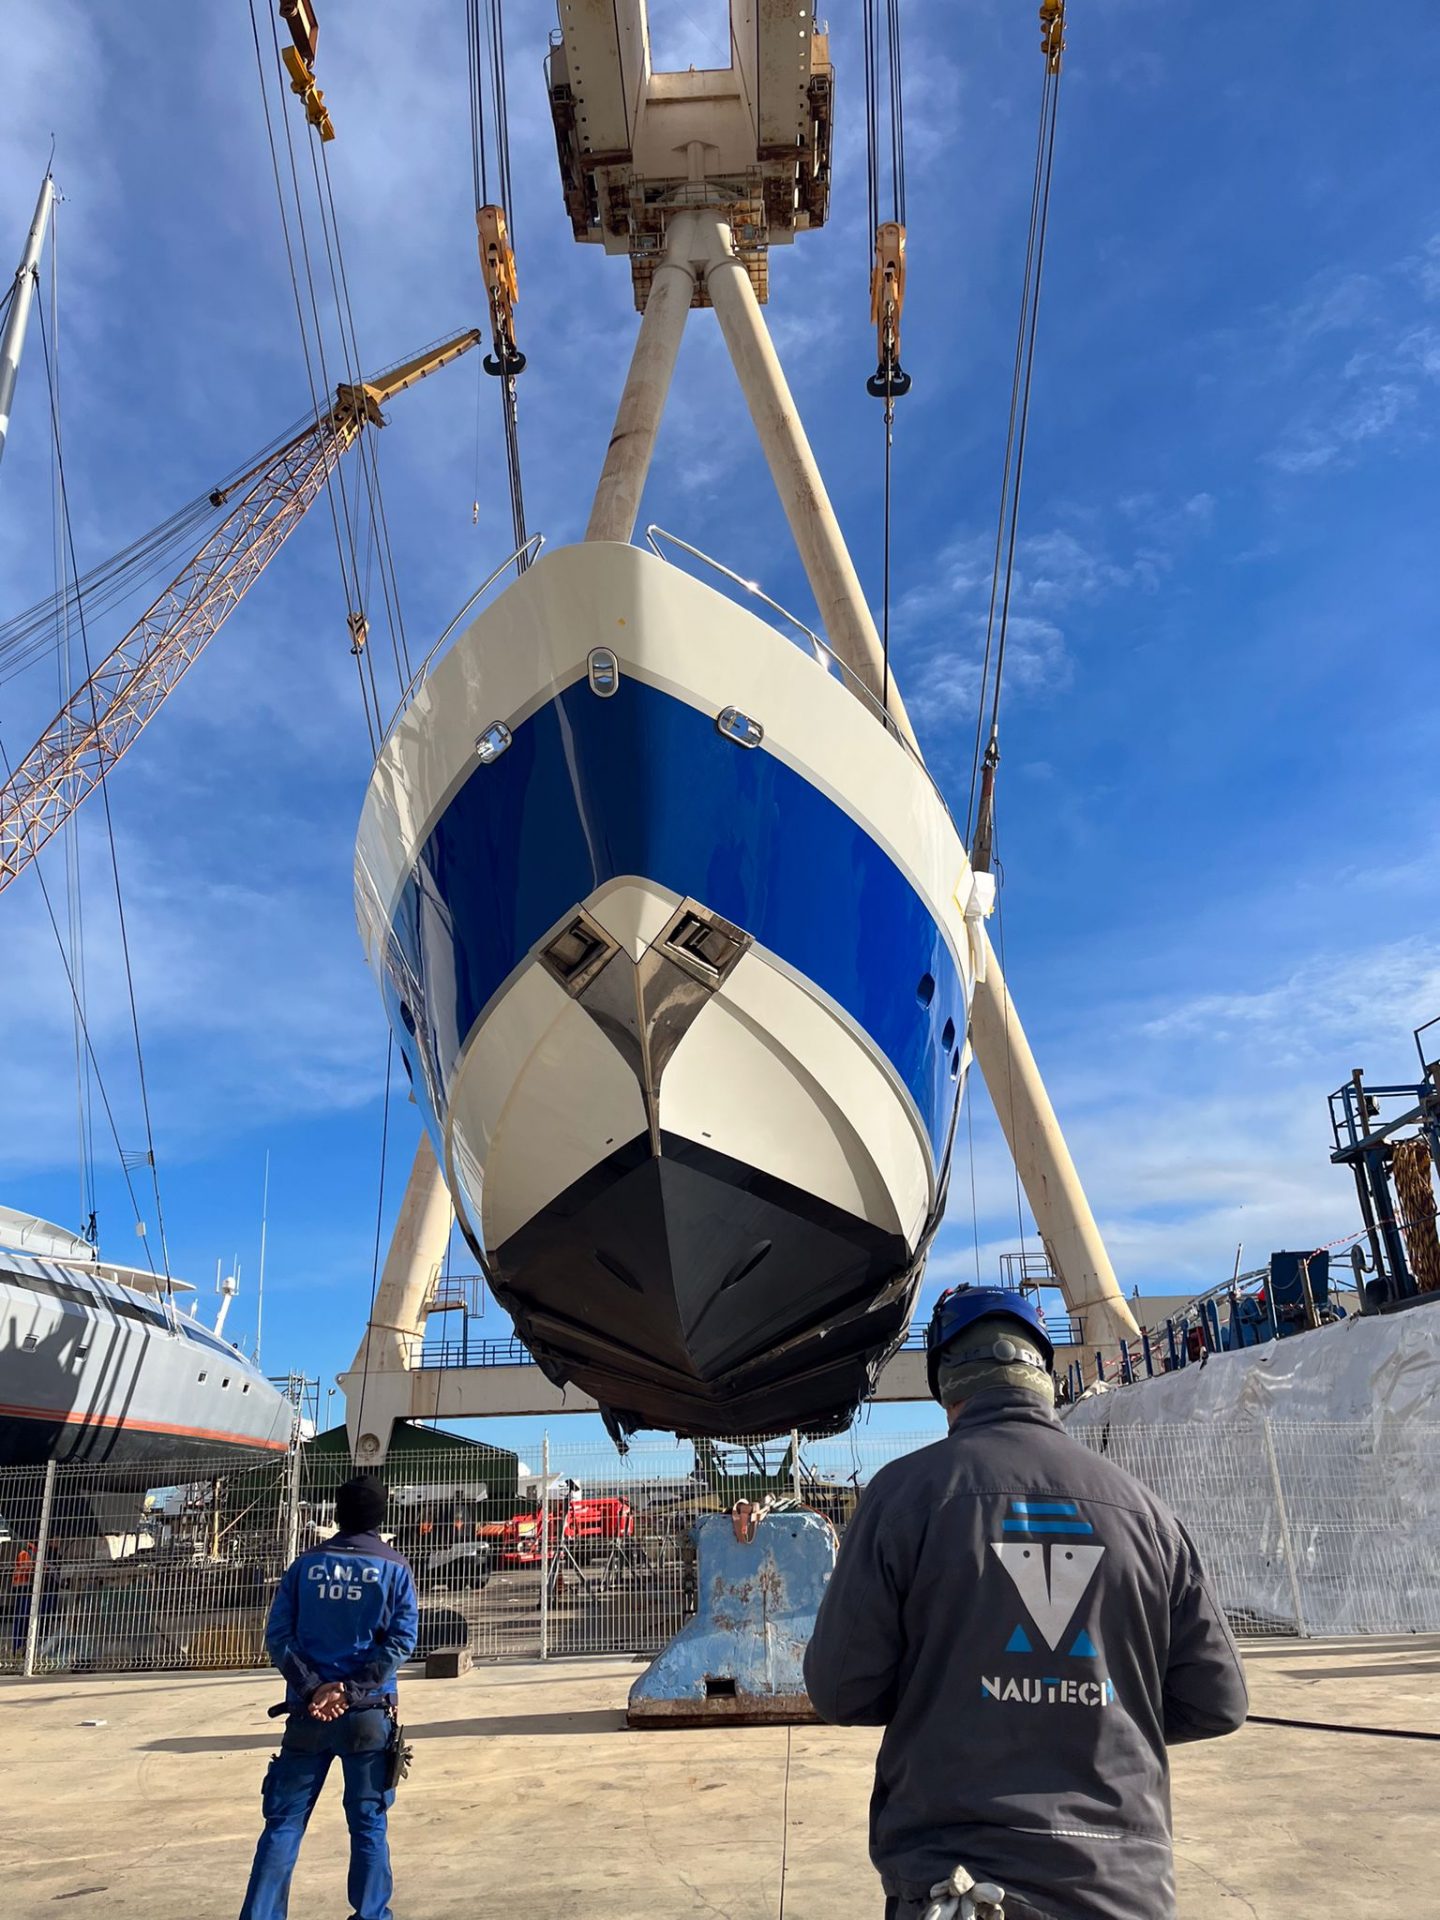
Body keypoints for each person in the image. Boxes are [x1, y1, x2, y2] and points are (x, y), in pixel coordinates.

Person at [803, 1286, 1248, 1920]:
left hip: (959, 1883)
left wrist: (970, 1696)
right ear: (1044, 1376)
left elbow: (840, 1690)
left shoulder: (902, 1498)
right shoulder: (1146, 1513)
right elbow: (1219, 1701)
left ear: (945, 1385)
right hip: (1123, 1887)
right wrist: (1090, 1707)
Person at [238, 1474, 419, 1920]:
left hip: (307, 1714)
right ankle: (371, 1914)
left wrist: (314, 1688)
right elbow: (400, 1643)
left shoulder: (304, 1566)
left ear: (336, 1514)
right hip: (367, 1716)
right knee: (368, 1823)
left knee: (283, 1823)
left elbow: (278, 1635)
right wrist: (352, 1690)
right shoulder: (395, 1568)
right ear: (381, 1516)